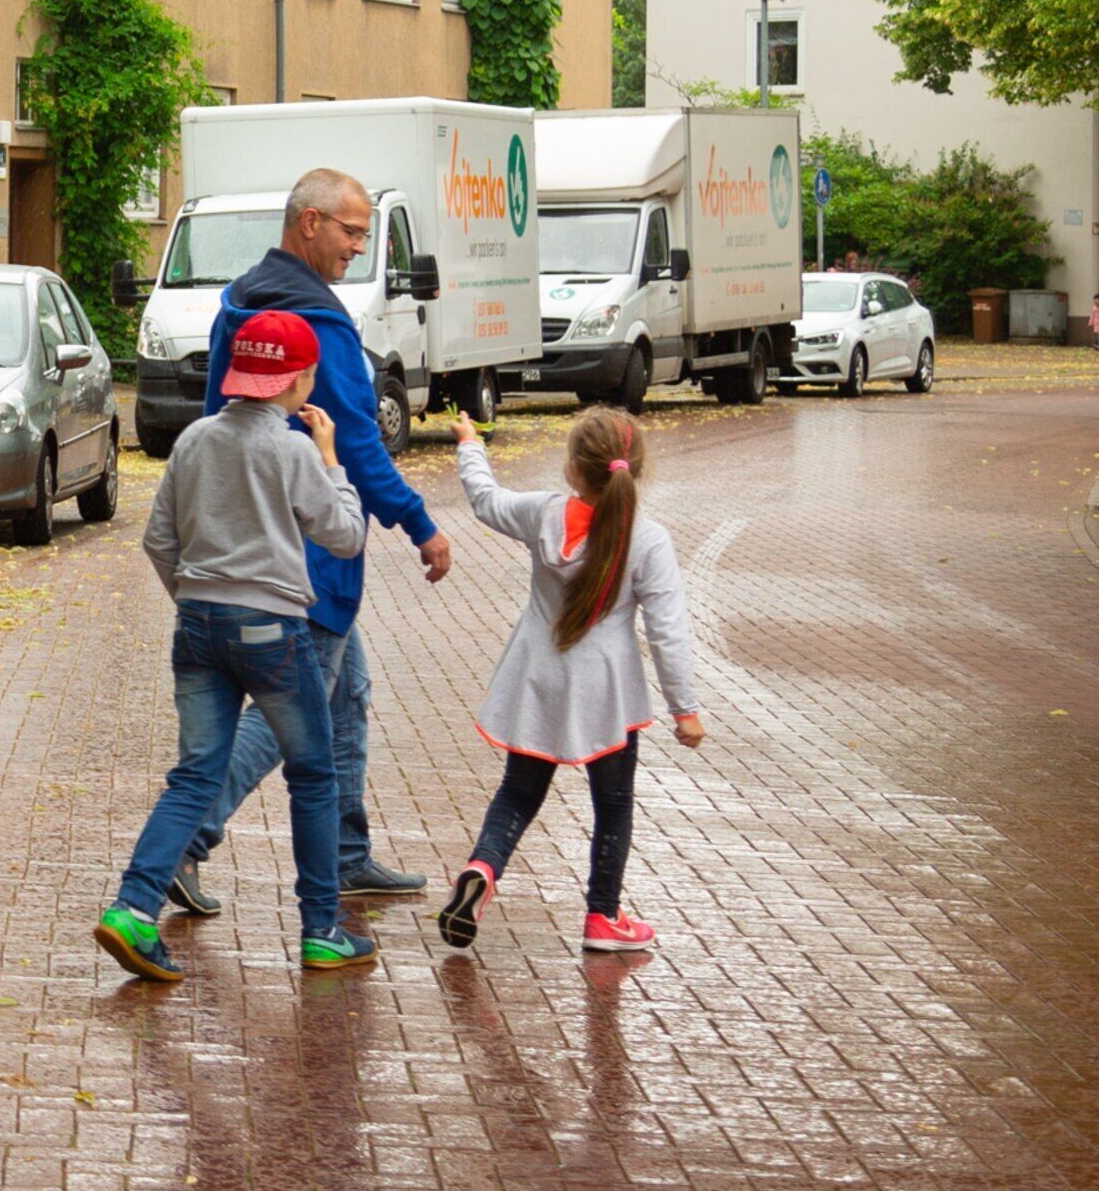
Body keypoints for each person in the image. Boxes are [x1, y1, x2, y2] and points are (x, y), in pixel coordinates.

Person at [159, 168, 454, 919]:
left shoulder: (240, 302)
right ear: (310, 222)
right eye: (352, 232)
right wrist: (419, 523)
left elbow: (218, 418)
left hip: (246, 538)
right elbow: (357, 441)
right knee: (287, 714)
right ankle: (180, 846)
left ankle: (346, 855)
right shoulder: (317, 323)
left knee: (346, 692)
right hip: (309, 558)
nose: (359, 246)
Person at [96, 310, 377, 980]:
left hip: (197, 624)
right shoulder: (293, 449)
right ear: (299, 381)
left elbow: (158, 540)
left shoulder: (194, 440)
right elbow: (346, 536)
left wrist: (196, 599)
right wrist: (333, 460)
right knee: (313, 775)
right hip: (272, 630)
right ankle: (321, 930)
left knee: (195, 775)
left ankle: (133, 909)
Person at [430, 406, 706, 954]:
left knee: (518, 792)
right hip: (606, 694)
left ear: (574, 468)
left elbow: (485, 499)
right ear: (636, 468)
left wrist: (469, 444)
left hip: (538, 678)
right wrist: (685, 709)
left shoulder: (542, 514)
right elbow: (668, 631)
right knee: (614, 803)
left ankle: (484, 867)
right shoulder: (648, 540)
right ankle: (603, 915)